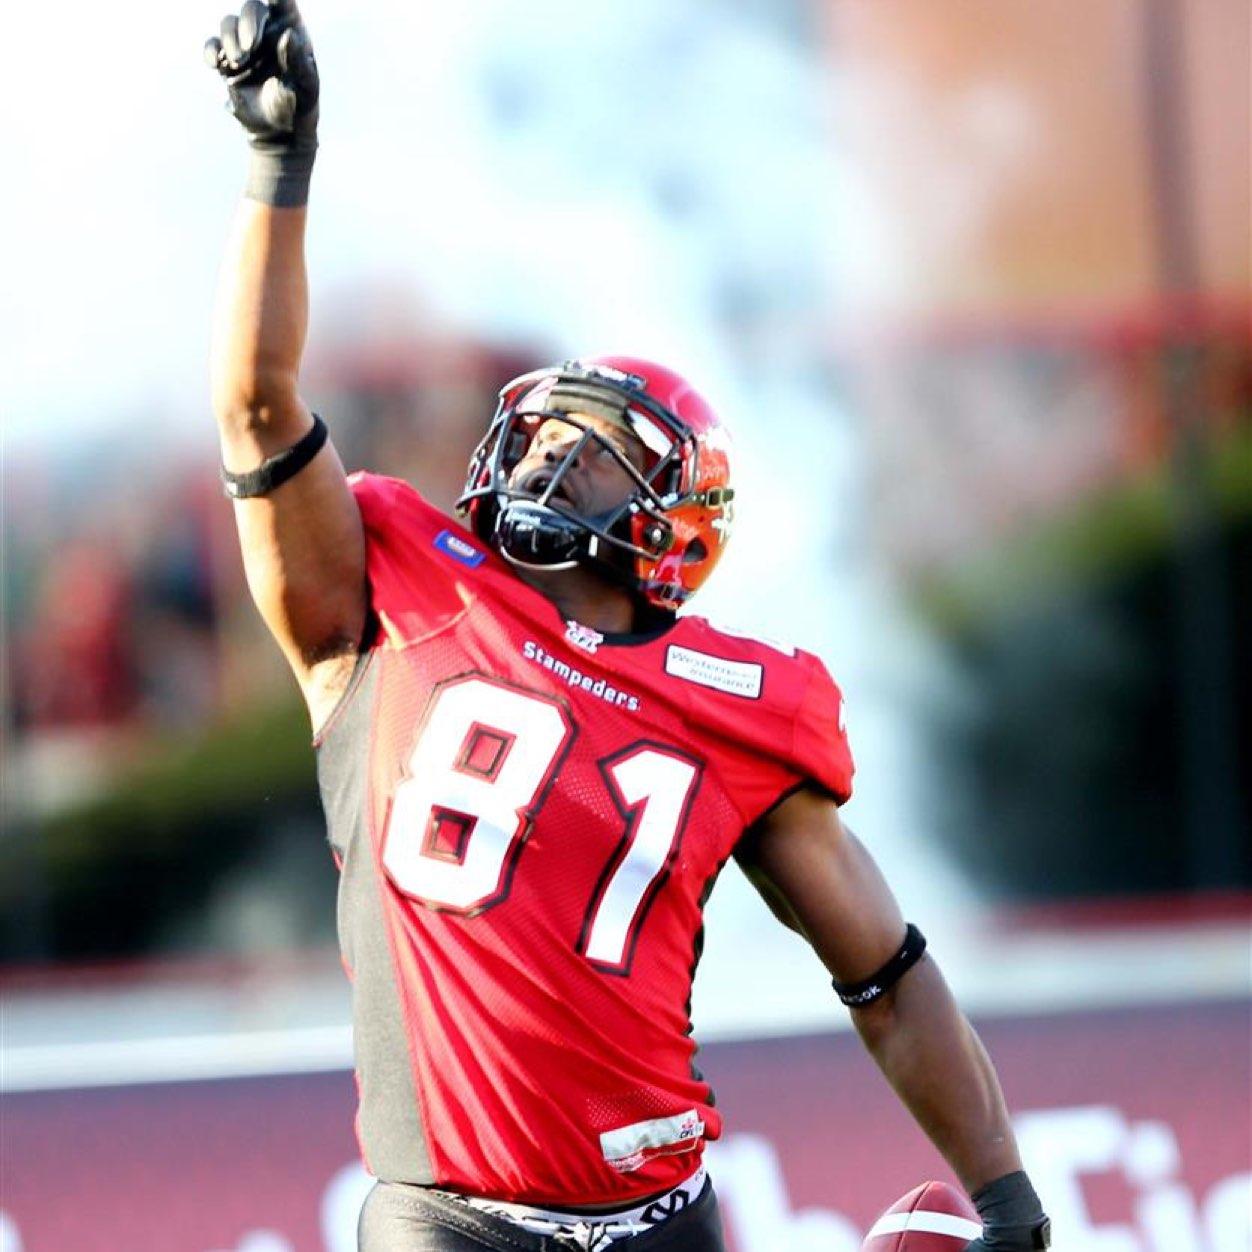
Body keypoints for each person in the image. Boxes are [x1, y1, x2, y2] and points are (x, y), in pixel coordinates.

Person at [204, 5, 1052, 1250]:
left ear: (672, 523)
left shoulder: (739, 699)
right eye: (546, 427)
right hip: (454, 1217)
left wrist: (1007, 1195)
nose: (550, 450)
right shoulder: (395, 594)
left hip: (665, 1214)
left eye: (596, 448)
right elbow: (256, 403)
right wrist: (279, 169)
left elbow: (886, 971)